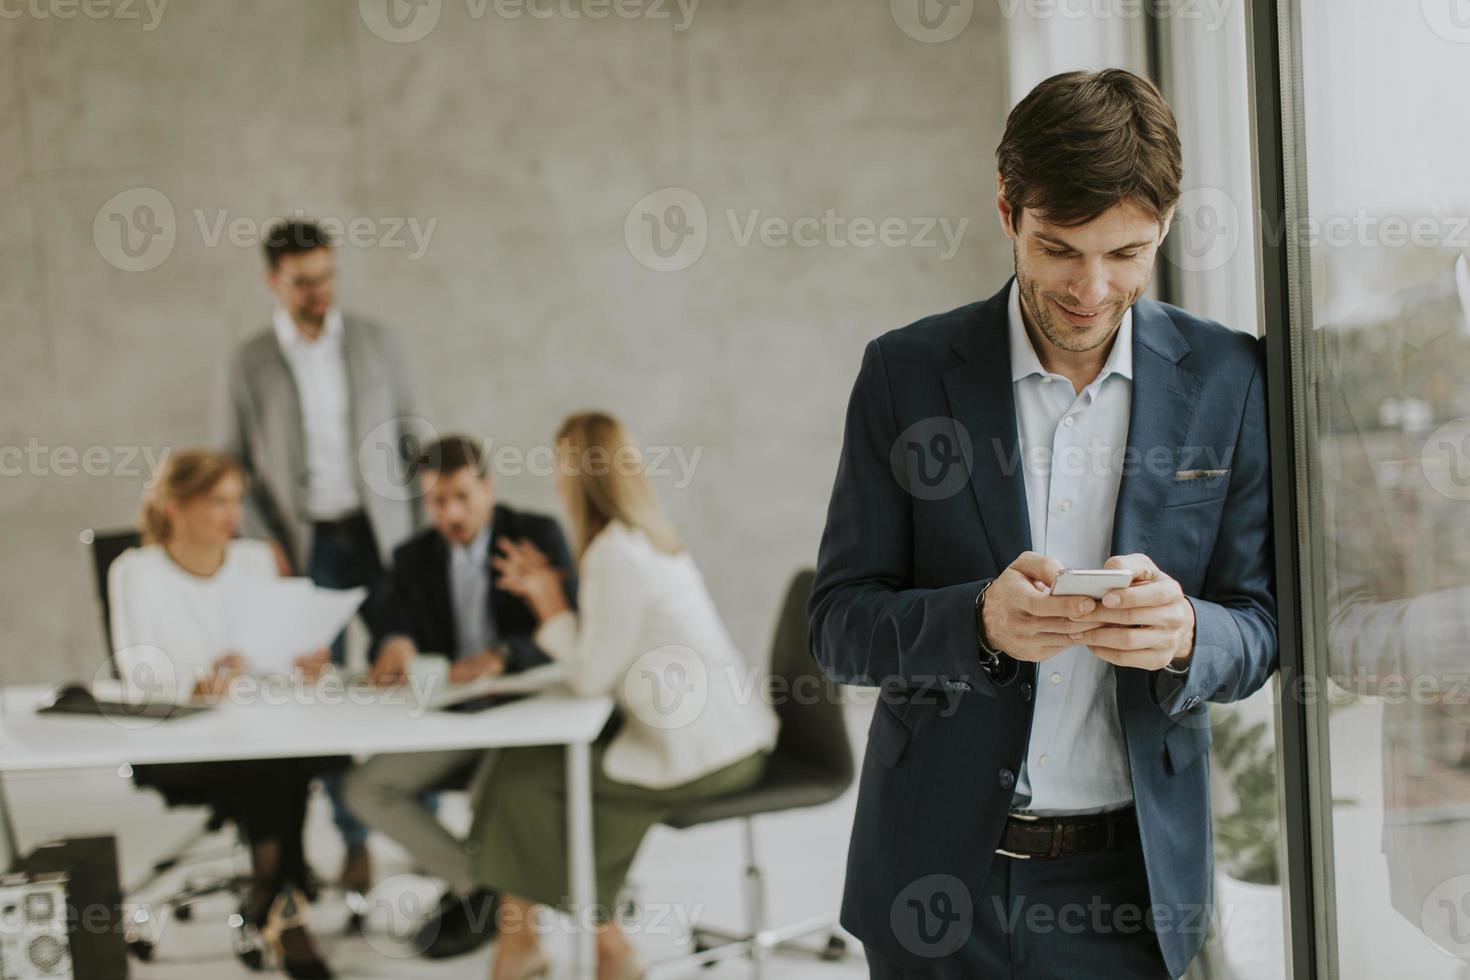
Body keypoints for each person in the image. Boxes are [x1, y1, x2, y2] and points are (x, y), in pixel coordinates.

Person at [807, 69, 1278, 979]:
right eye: (1061, 248)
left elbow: (1258, 625)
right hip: (937, 885)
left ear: (1166, 227)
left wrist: (1189, 634)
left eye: (1127, 253)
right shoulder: (906, 375)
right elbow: (837, 627)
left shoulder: (1230, 379)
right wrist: (976, 622)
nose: (1093, 290)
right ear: (1006, 211)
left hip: (1136, 890)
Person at [468, 411, 780, 980]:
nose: (556, 480)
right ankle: (561, 945)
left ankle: (576, 947)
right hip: (734, 737)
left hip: (702, 757)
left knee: (519, 785)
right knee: (516, 774)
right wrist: (554, 597)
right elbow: (608, 654)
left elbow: (590, 675)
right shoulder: (649, 539)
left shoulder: (613, 555)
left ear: (583, 476)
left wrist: (546, 603)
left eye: (561, 466)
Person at [217, 216, 424, 894]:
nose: (318, 292)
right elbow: (234, 465)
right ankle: (353, 838)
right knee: (320, 697)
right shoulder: (249, 362)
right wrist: (266, 542)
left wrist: (421, 536)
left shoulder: (376, 342)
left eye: (326, 276)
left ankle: (417, 824)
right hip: (306, 544)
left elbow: (410, 444)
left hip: (381, 534)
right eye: (303, 282)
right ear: (273, 281)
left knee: (403, 672)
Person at [342, 434, 577, 961]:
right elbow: (393, 623)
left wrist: (502, 656)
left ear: (488, 489)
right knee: (365, 789)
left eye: (462, 496)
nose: (451, 512)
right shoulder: (412, 557)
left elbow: (569, 622)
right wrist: (395, 642)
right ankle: (486, 884)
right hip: (452, 718)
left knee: (503, 796)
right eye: (437, 500)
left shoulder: (534, 536)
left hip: (526, 712)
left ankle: (513, 917)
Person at [108, 449, 340, 979]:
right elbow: (136, 673)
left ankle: (274, 896)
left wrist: (309, 662)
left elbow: (281, 650)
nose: (234, 515)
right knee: (274, 766)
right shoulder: (136, 571)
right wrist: (195, 685)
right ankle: (282, 905)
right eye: (218, 502)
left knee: (280, 757)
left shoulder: (255, 559)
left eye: (237, 501)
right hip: (181, 741)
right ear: (174, 507)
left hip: (261, 728)